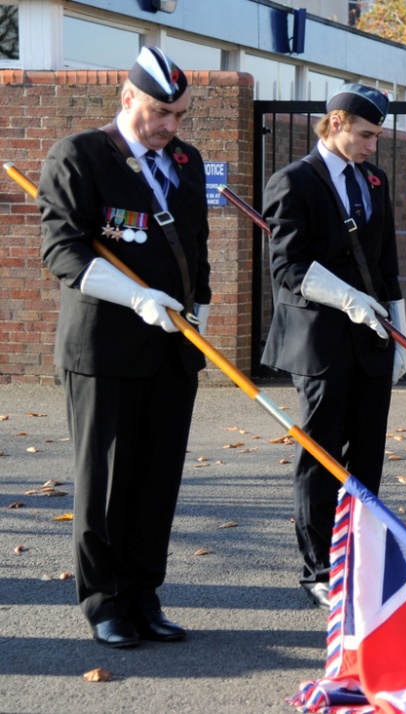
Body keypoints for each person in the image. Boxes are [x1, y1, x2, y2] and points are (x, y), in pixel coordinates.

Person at [36, 47, 211, 648]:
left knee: (156, 481)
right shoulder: (81, 156)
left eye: (180, 115)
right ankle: (105, 600)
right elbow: (63, 250)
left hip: (171, 350)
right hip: (104, 350)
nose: (171, 126)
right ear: (127, 98)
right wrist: (136, 298)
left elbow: (196, 247)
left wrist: (201, 310)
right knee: (107, 482)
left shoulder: (186, 162)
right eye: (162, 112)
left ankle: (143, 594)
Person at [261, 84, 406, 609]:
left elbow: (386, 261)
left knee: (366, 455)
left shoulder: (374, 178)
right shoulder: (293, 181)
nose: (373, 145)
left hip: (370, 336)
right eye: (366, 135)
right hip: (320, 340)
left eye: (377, 136)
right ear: (338, 122)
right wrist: (347, 299)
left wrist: (402, 328)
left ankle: (360, 558)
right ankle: (320, 567)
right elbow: (287, 270)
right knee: (322, 455)